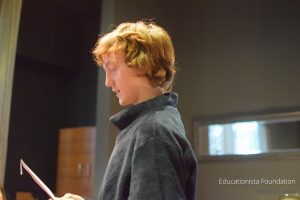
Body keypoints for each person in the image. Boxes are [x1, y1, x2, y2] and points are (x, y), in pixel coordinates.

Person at [58, 20, 197, 200]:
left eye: (113, 68)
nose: (107, 82)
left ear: (142, 64)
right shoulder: (147, 126)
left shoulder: (153, 132)